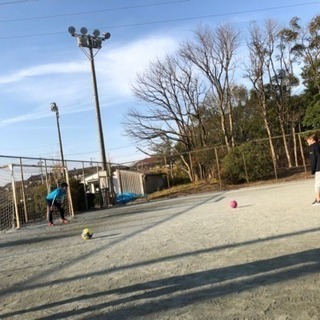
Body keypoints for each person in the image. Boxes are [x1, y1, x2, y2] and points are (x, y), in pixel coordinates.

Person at [306, 133, 320, 205]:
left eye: (308, 140)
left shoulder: (312, 147)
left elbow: (313, 160)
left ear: (312, 139)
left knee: (317, 184)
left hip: (319, 168)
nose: (307, 141)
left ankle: (318, 200)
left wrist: (313, 170)